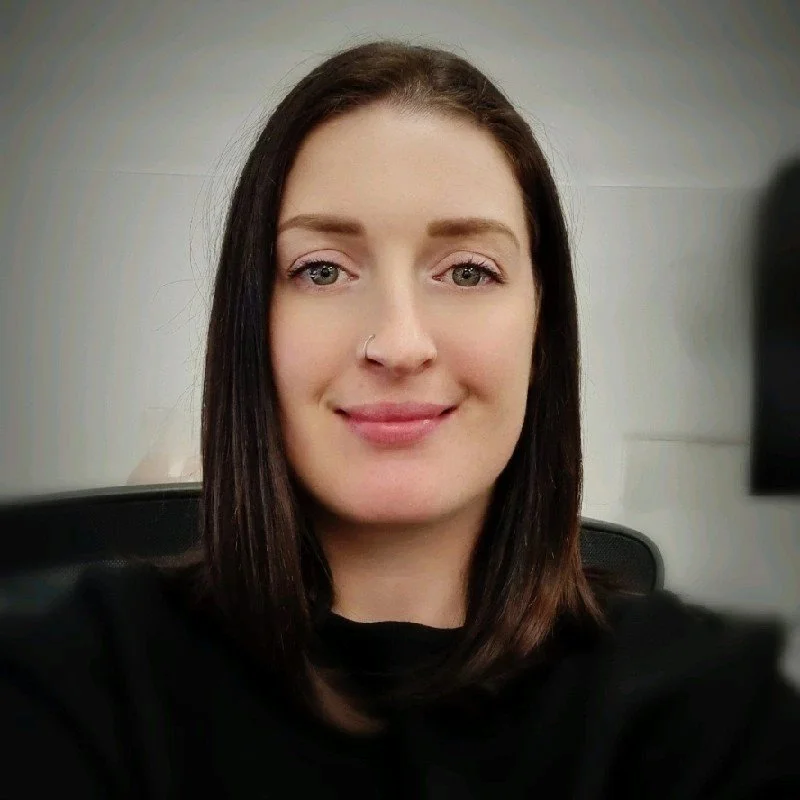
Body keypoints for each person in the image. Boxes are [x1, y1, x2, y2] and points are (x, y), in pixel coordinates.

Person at [1, 39, 798, 799]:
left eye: (466, 270)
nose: (399, 342)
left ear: (540, 328)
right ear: (251, 322)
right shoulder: (82, 674)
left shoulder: (701, 707)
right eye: (322, 269)